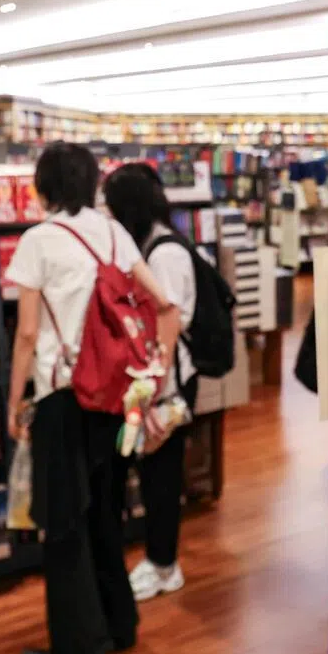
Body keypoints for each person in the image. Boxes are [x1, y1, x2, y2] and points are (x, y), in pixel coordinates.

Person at [6, 143, 179, 654]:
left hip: (63, 395)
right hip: (115, 393)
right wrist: (156, 374)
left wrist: (15, 401)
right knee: (105, 510)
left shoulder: (38, 241)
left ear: (42, 186)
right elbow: (165, 304)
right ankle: (118, 623)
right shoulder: (113, 232)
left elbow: (28, 333)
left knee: (63, 523)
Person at [103, 163, 197, 601]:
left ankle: (165, 565)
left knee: (162, 477)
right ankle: (159, 561)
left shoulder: (164, 254)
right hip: (159, 380)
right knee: (155, 472)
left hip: (168, 384)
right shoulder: (154, 247)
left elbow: (169, 323)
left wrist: (158, 393)